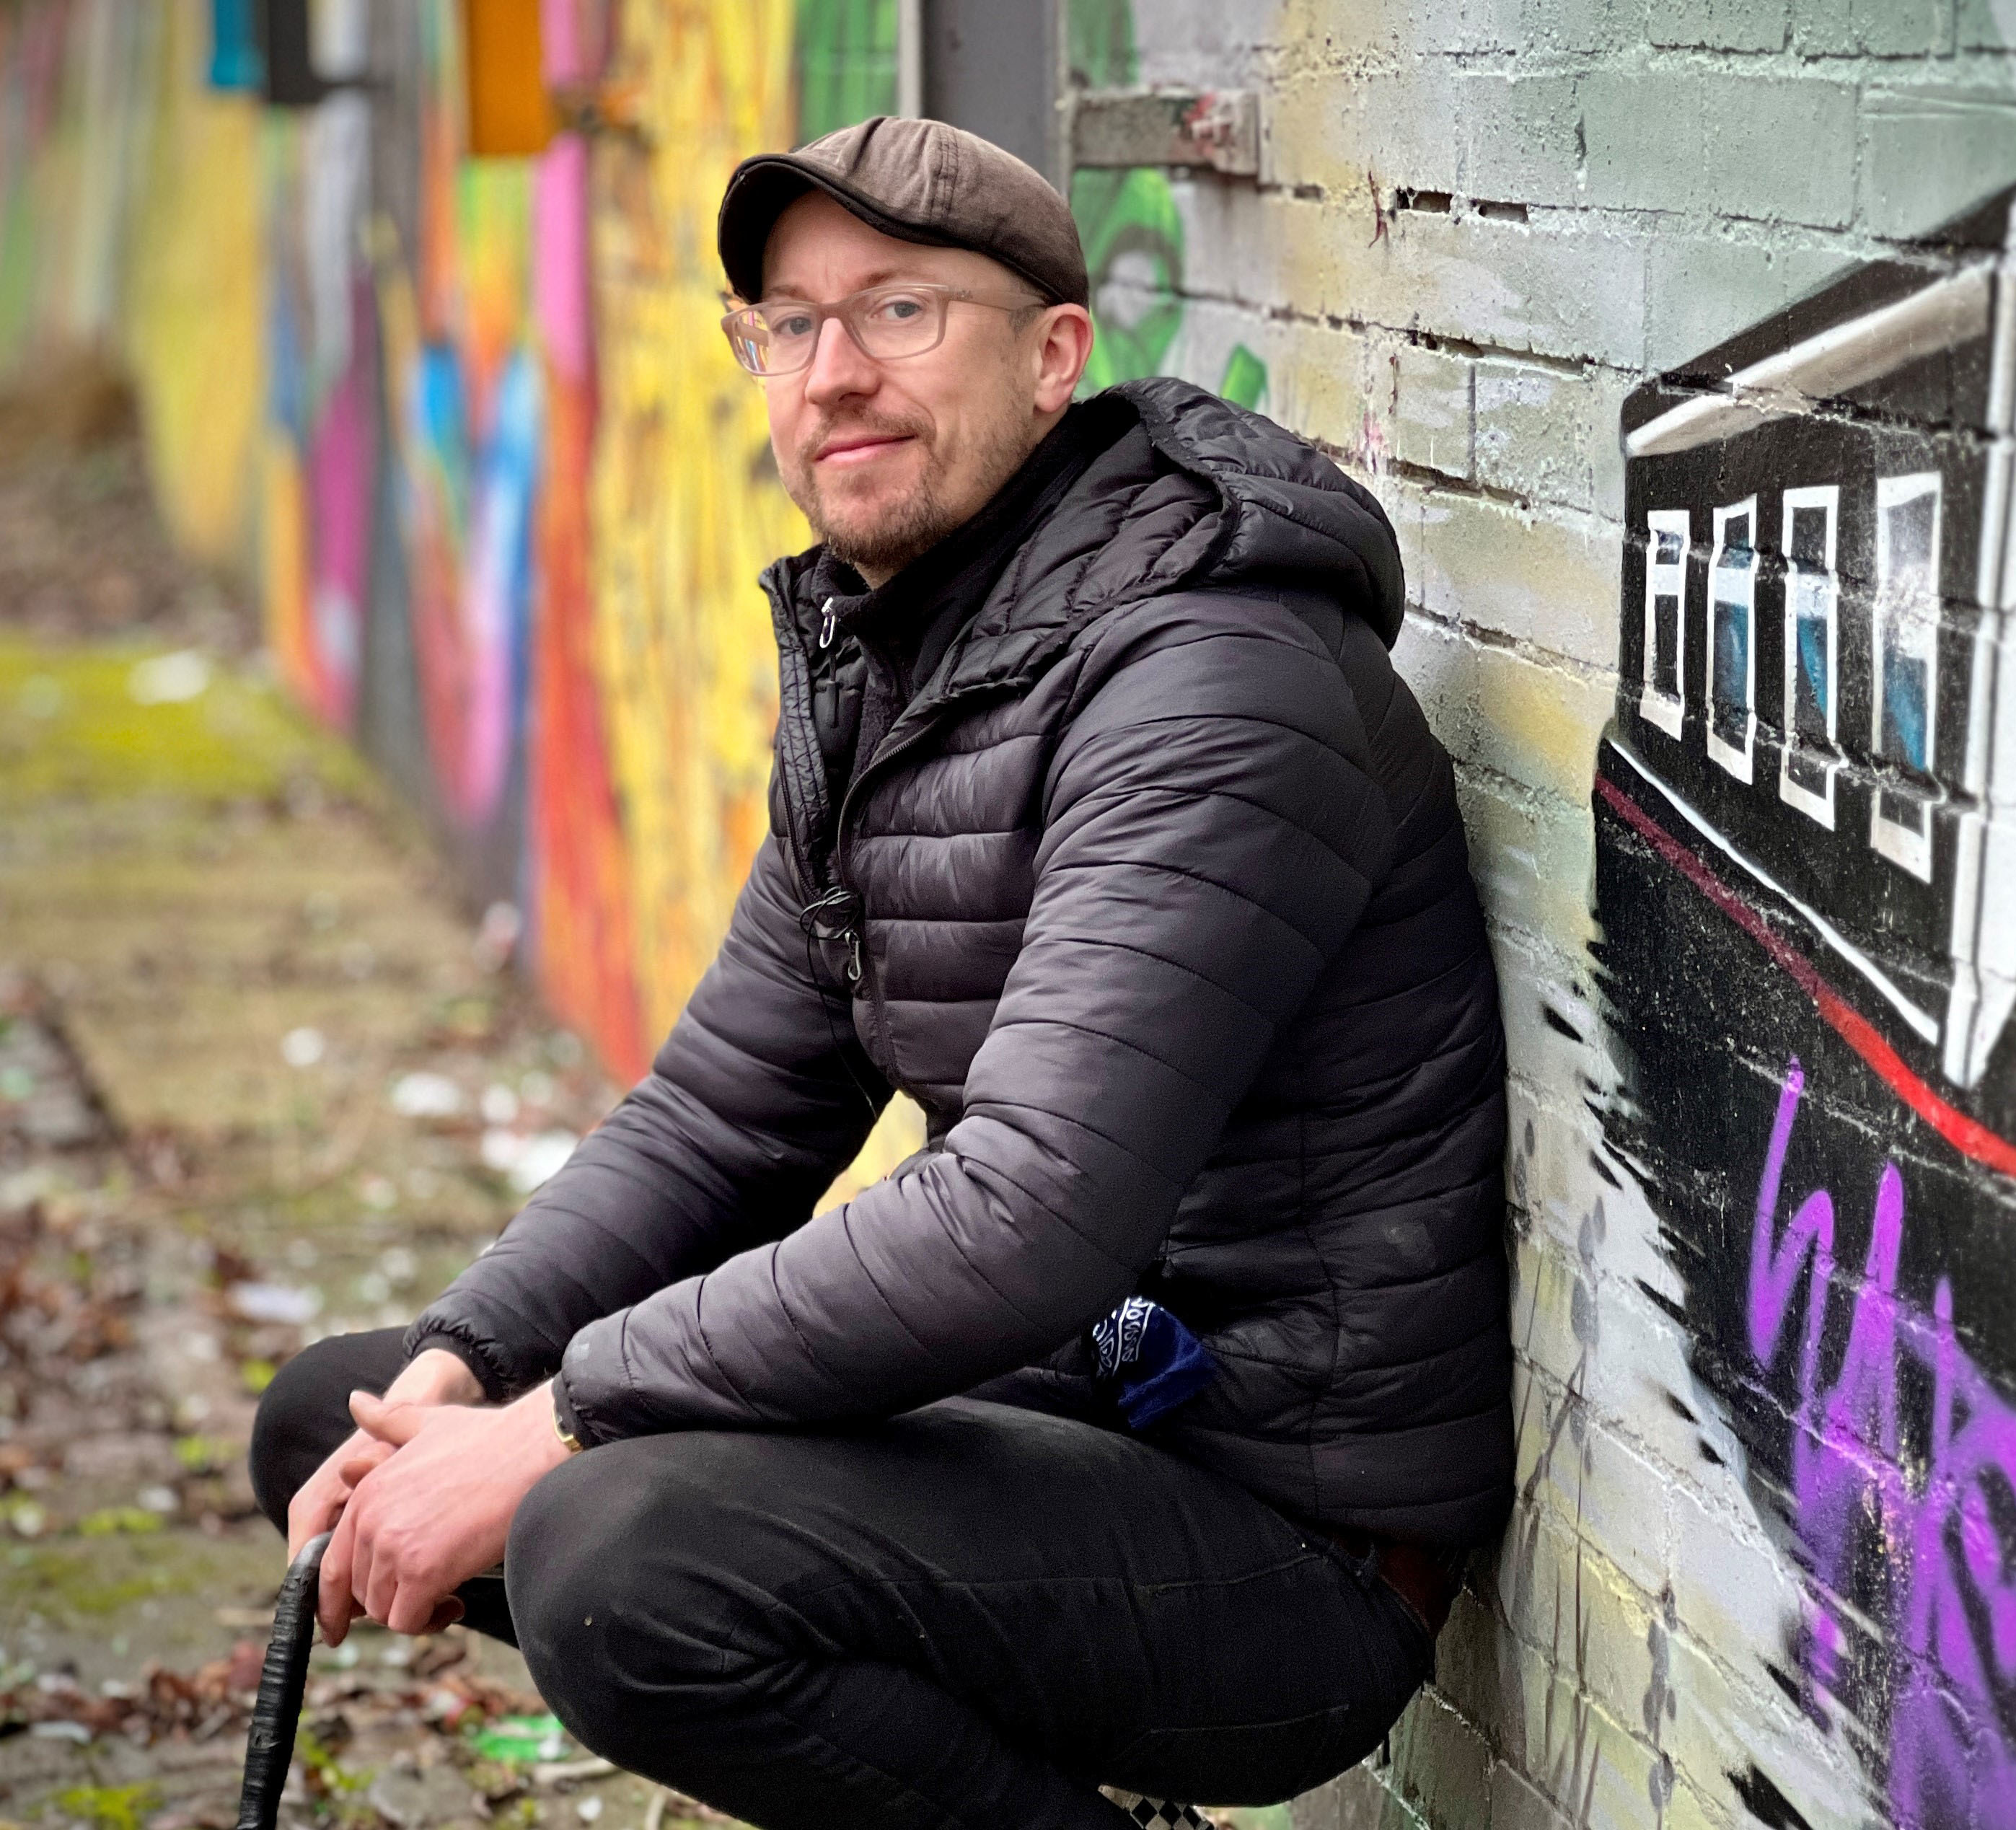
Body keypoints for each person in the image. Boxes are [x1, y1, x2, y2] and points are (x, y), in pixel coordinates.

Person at [250, 116, 1511, 1830]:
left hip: (1280, 1533)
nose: (834, 372)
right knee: (340, 1427)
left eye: (901, 311)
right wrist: (472, 1368)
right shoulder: (910, 655)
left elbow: (1026, 1215)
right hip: (1062, 1406)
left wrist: (564, 1425)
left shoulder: (1214, 680)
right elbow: (721, 1119)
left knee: (623, 1556)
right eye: (789, 322)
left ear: (1055, 354)